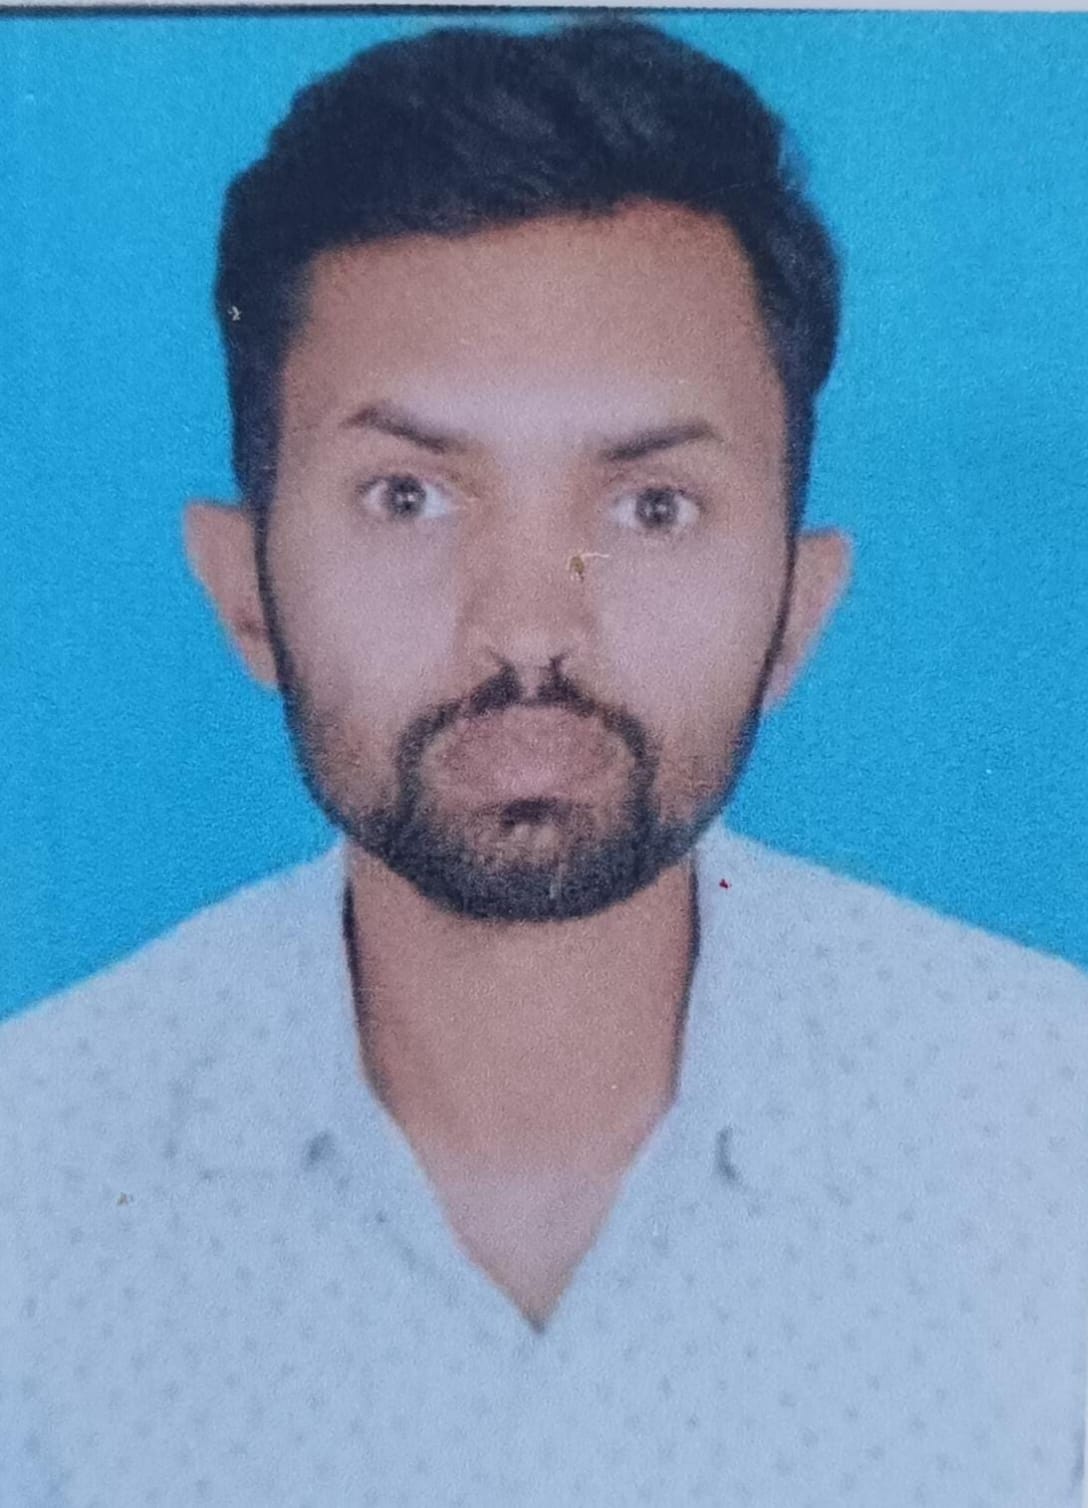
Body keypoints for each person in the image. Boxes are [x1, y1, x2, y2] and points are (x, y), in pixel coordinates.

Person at [3, 18, 1086, 1507]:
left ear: (799, 607)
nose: (527, 626)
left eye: (652, 507)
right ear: (242, 586)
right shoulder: (33, 1188)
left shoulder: (1050, 1142)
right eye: (407, 496)